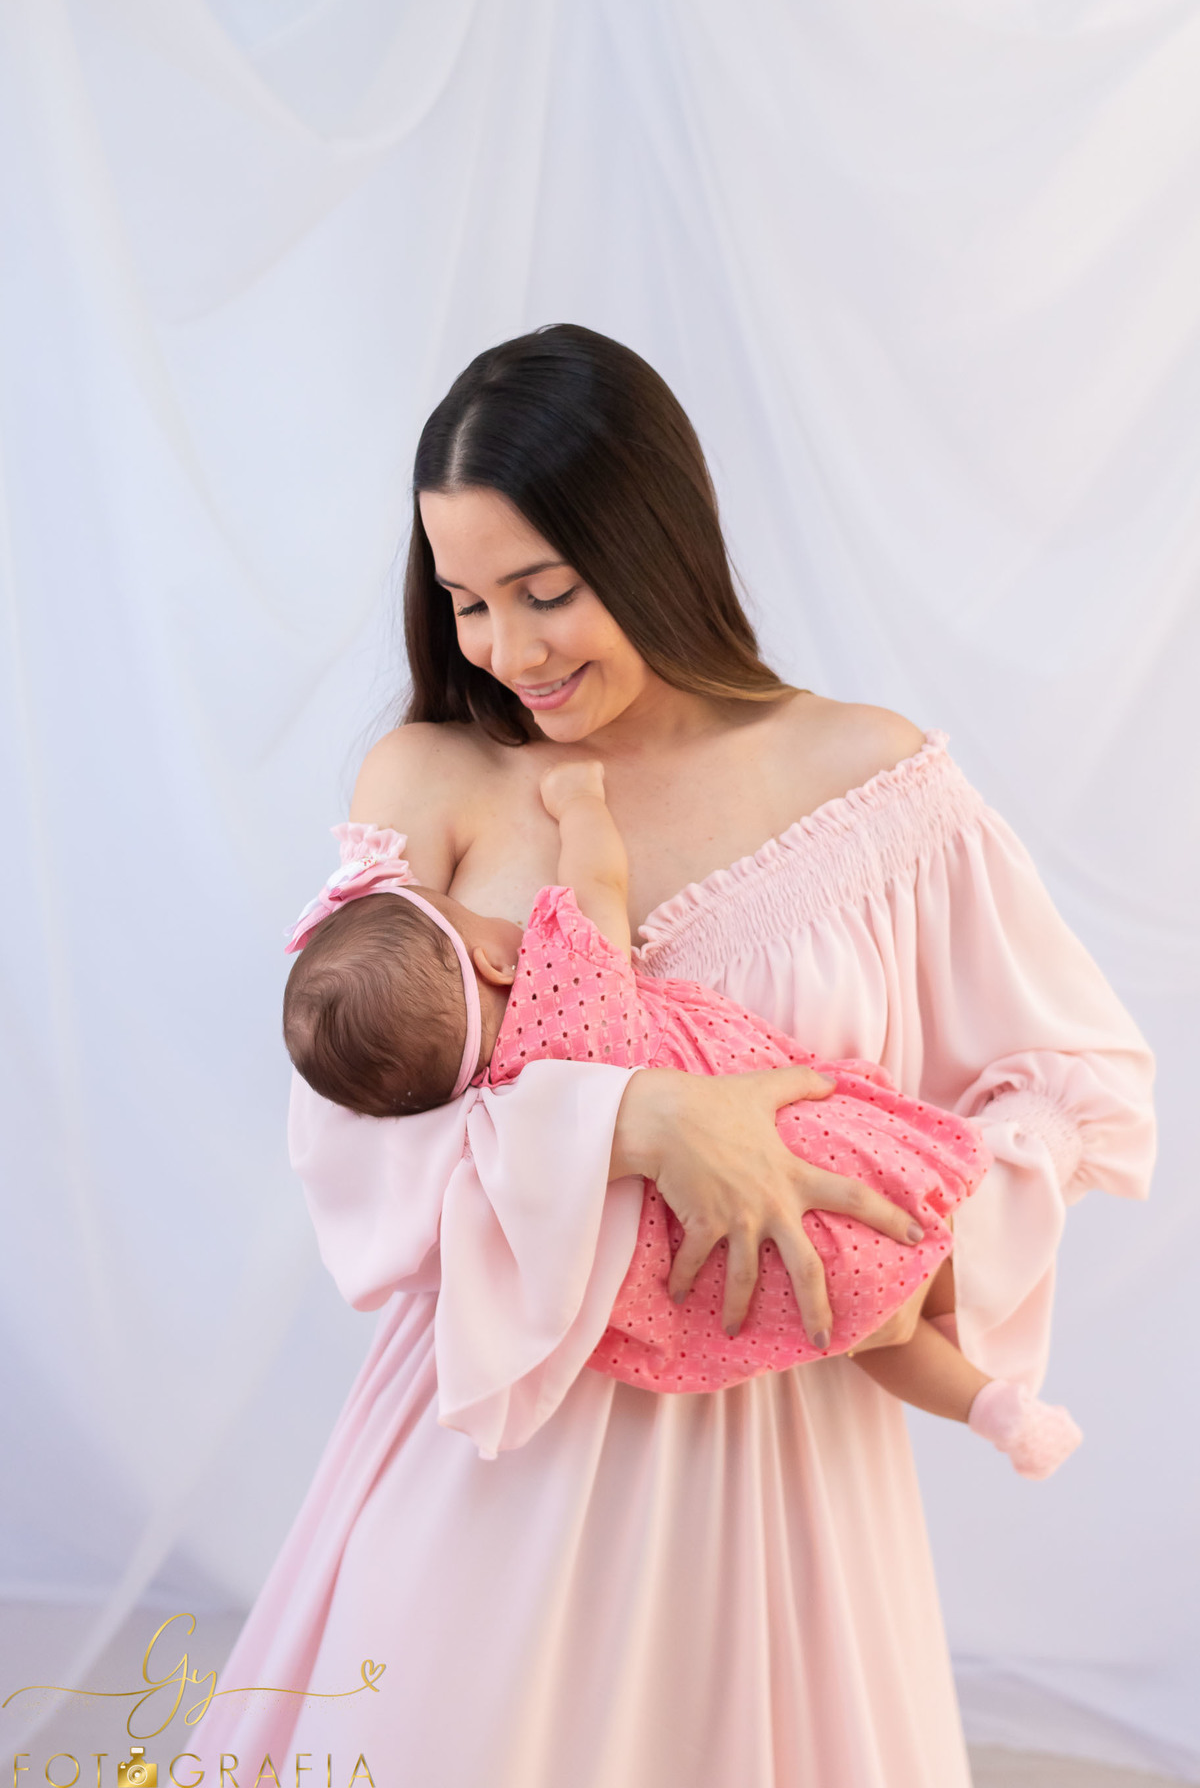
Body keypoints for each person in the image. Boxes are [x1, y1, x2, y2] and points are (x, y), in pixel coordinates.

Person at [197, 326, 1154, 1787]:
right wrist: (638, 1122)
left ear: (652, 544)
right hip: (498, 1456)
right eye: (464, 602)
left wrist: (904, 1223)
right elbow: (353, 1131)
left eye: (546, 592)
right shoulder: (435, 784)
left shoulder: (873, 787)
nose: (509, 654)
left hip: (787, 1472)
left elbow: (1079, 1079)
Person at [279, 759, 1081, 1478]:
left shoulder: (494, 1112)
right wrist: (580, 802)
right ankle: (994, 1395)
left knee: (863, 1326)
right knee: (905, 1251)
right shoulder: (566, 988)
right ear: (491, 960)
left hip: (698, 1286)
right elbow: (600, 880)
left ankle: (987, 1405)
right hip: (785, 1170)